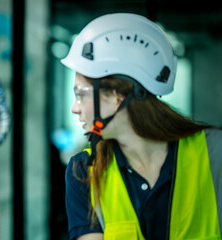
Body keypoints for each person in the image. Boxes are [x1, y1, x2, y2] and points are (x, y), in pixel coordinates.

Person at [62, 13, 222, 240]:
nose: (75, 108)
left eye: (81, 95)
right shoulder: (84, 171)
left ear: (118, 95)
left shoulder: (215, 154)